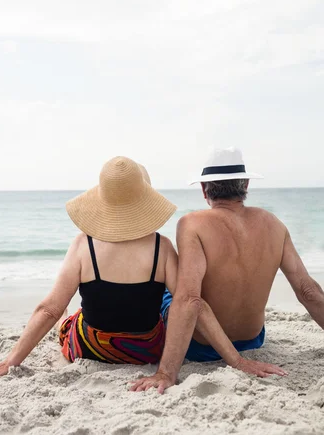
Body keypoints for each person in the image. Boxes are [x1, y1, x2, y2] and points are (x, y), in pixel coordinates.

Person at [0, 156, 283, 379]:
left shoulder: (83, 245)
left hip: (89, 347)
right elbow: (192, 303)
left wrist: (8, 362)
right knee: (164, 304)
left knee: (65, 315)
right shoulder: (161, 248)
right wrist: (236, 360)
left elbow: (47, 308)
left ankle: (71, 326)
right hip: (146, 349)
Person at [132, 147, 324, 394]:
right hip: (253, 340)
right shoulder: (274, 224)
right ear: (245, 184)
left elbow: (190, 299)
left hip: (200, 348)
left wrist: (166, 373)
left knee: (168, 290)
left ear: (204, 189)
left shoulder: (192, 223)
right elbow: (307, 290)